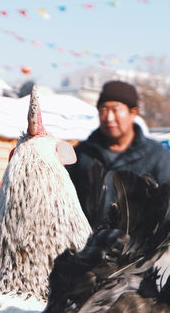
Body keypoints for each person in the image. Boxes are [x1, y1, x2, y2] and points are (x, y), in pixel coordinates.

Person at [68, 79, 170, 224]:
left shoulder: (158, 157)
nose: (109, 118)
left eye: (115, 110)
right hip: (90, 244)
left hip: (138, 245)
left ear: (133, 112)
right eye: (103, 110)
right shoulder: (82, 154)